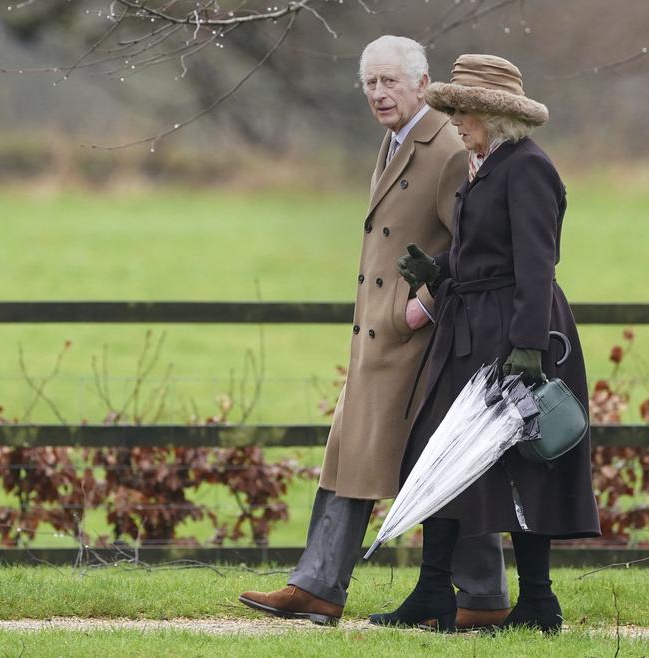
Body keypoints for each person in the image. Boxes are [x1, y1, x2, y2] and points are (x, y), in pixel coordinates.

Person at [238, 37, 511, 629]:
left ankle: (480, 596)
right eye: (370, 83)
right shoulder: (394, 141)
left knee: (441, 462)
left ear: (422, 84)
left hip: (420, 345)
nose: (379, 94)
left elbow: (475, 246)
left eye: (391, 81)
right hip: (378, 340)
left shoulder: (445, 147)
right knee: (351, 456)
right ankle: (320, 586)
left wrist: (422, 308)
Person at [370, 54, 601, 635]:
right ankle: (432, 591)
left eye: (463, 112)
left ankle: (539, 602)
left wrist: (527, 348)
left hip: (515, 333)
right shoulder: (486, 165)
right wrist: (440, 269)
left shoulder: (529, 169)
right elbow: (479, 249)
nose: (454, 122)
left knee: (523, 461)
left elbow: (536, 265)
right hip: (470, 327)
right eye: (451, 110)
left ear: (494, 116)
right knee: (443, 449)